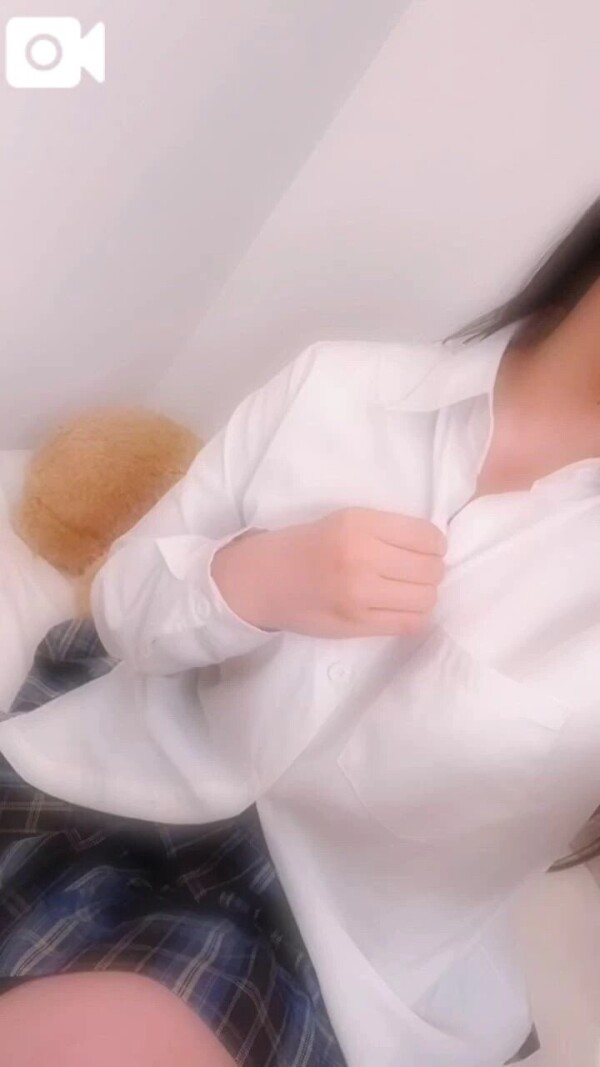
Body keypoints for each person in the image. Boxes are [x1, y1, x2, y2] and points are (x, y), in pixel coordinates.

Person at [0, 195, 599, 1067]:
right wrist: (254, 577)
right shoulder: (337, 390)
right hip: (126, 777)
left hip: (330, 946)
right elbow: (128, 605)